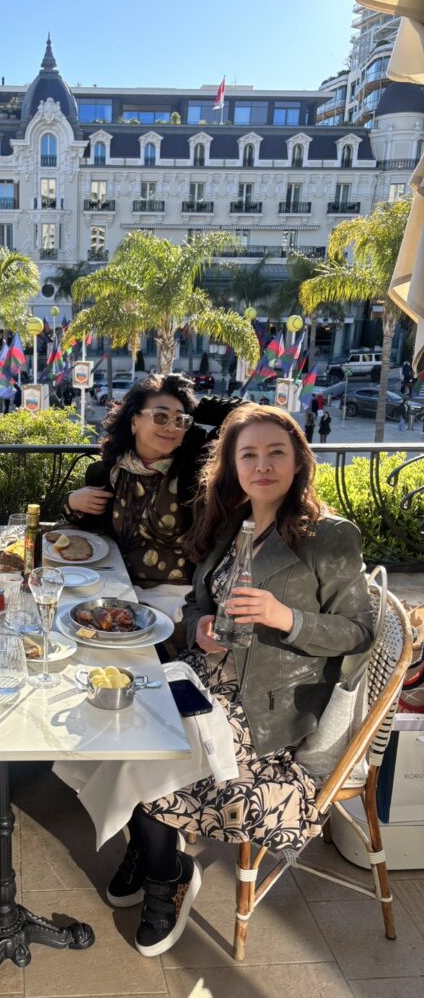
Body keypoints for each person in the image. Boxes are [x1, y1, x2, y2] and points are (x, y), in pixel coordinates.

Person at [104, 403, 373, 957]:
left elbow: (359, 632)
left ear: (298, 461)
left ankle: (166, 876)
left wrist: (286, 617)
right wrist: (199, 626)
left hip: (268, 705)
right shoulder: (235, 523)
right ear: (232, 466)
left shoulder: (328, 535)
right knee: (120, 719)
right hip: (205, 674)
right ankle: (152, 848)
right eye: (248, 455)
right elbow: (197, 603)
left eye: (276, 452)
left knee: (155, 750)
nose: (262, 465)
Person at [63, 373, 238, 627]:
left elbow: (249, 412)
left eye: (180, 420)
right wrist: (71, 502)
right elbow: (87, 532)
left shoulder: (196, 469)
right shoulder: (111, 472)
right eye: (160, 416)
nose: (171, 427)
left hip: (178, 601)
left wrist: (192, 404)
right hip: (119, 589)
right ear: (134, 421)